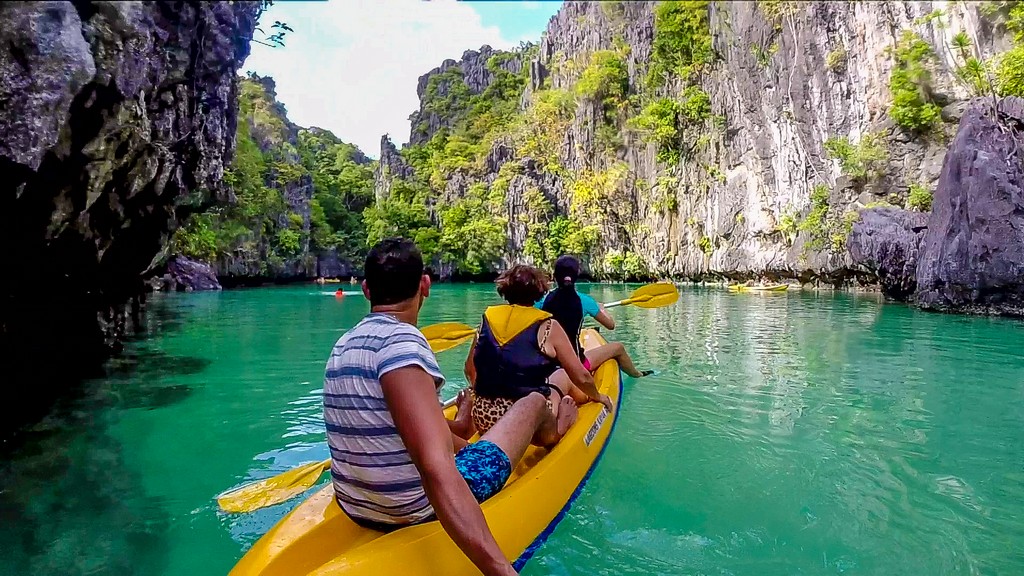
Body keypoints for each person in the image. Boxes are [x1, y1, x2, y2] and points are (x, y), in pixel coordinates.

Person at [323, 238, 569, 576]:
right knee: (534, 401)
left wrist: (463, 428)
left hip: (356, 506)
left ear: (366, 289)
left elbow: (404, 429)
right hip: (411, 508)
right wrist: (500, 569)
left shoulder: (343, 345)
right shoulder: (403, 345)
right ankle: (558, 428)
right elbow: (437, 469)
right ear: (425, 284)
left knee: (469, 446)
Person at [464, 264, 613, 436]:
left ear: (504, 289)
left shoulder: (486, 320)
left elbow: (469, 368)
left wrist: (487, 397)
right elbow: (581, 376)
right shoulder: (548, 326)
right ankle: (558, 430)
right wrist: (598, 396)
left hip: (484, 417)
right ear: (539, 291)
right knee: (562, 375)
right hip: (527, 421)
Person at [539, 256, 653, 394]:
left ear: (555, 276)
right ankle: (637, 374)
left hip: (546, 365)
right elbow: (611, 325)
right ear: (577, 276)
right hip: (577, 365)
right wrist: (602, 309)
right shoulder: (585, 301)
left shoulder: (541, 301)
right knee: (618, 348)